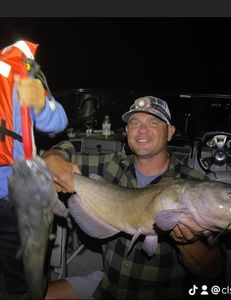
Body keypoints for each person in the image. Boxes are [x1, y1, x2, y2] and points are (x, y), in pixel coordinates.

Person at [43, 96, 226, 300]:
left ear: (170, 133)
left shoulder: (194, 180)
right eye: (134, 123)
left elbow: (212, 270)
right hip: (107, 285)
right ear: (127, 132)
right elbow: (64, 150)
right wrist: (54, 158)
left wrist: (187, 242)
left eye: (153, 122)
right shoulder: (111, 165)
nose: (142, 130)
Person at [0, 56, 68, 296]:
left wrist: (40, 103)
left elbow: (58, 122)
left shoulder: (20, 74)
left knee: (23, 273)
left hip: (17, 199)